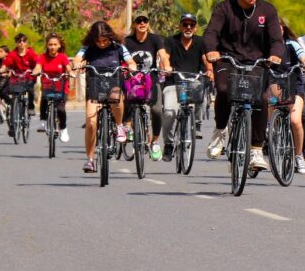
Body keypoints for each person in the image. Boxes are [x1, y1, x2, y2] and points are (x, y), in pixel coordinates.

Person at [202, 0, 285, 173]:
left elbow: (277, 40)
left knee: (260, 100)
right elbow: (211, 33)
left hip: (257, 63)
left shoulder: (268, 11)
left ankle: (256, 149)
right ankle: (221, 131)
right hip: (227, 60)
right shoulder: (224, 8)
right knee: (223, 90)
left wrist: (275, 55)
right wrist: (212, 50)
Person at [73, 21, 140, 174]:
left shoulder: (118, 47)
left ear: (110, 37)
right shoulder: (88, 48)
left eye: (105, 40)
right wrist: (77, 64)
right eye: (98, 41)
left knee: (116, 98)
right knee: (91, 123)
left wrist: (132, 66)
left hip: (113, 84)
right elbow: (77, 58)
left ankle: (119, 126)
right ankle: (90, 160)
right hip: (94, 87)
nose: (102, 44)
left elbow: (130, 61)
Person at [162, 13, 214, 159]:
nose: (188, 27)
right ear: (180, 26)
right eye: (185, 24)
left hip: (193, 81)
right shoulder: (171, 41)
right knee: (169, 112)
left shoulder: (200, 42)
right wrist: (166, 67)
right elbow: (165, 56)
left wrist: (209, 70)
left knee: (202, 97)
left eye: (191, 25)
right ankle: (168, 143)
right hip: (173, 82)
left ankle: (196, 124)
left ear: (196, 28)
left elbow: (206, 59)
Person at [124, 13, 171, 160]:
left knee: (157, 109)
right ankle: (129, 127)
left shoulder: (155, 39)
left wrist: (167, 66)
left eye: (145, 20)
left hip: (151, 78)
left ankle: (155, 141)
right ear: (134, 24)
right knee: (126, 103)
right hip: (132, 80)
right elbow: (121, 56)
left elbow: (163, 55)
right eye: (139, 21)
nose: (142, 23)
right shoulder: (127, 41)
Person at [280, 22, 305, 173]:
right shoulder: (264, 45)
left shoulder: (291, 44)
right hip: (274, 86)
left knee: (295, 121)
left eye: (279, 27)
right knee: (267, 106)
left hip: (294, 86)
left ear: (284, 29)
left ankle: (299, 155)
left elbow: (302, 55)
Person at [33, 34, 71, 142]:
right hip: (47, 86)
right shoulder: (43, 57)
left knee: (60, 109)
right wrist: (35, 72)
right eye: (50, 45)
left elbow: (68, 68)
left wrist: (71, 72)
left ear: (59, 46)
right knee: (44, 99)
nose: (52, 47)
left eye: (55, 44)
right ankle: (43, 122)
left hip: (61, 88)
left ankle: (63, 128)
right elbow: (38, 66)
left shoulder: (62, 57)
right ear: (47, 45)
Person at [2, 33, 39, 125]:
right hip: (16, 78)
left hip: (29, 77)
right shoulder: (12, 54)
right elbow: (5, 64)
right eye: (19, 41)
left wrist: (36, 70)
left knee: (30, 90)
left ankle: (30, 106)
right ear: (16, 43)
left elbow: (38, 64)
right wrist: (2, 69)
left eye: (24, 41)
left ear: (26, 42)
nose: (21, 43)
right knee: (14, 96)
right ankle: (13, 123)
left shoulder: (31, 53)